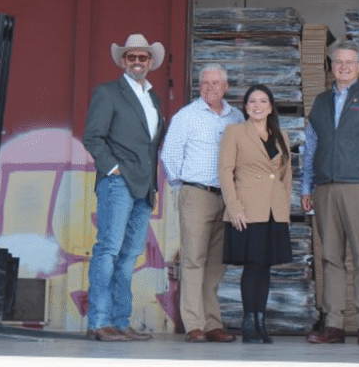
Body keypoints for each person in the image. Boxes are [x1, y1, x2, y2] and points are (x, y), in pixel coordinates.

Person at [301, 40, 359, 346]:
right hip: (325, 187)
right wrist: (306, 186)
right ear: (331, 65)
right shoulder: (320, 102)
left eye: (350, 62)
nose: (344, 67)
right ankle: (335, 325)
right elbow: (311, 147)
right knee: (331, 257)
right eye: (338, 62)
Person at [82, 34, 166, 342]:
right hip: (118, 184)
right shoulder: (108, 93)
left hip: (144, 188)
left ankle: (120, 321)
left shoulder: (154, 99)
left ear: (150, 63)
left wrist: (152, 186)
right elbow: (93, 136)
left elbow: (150, 145)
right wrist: (114, 169)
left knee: (129, 256)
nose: (137, 62)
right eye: (132, 57)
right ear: (123, 61)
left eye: (143, 58)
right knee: (108, 251)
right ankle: (99, 322)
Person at [160, 64, 244, 343]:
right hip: (197, 194)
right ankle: (194, 325)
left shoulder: (237, 117)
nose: (209, 88)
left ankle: (212, 324)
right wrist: (181, 188)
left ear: (226, 87)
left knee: (216, 264)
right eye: (204, 83)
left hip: (227, 197)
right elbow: (169, 155)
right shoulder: (186, 116)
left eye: (215, 83)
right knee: (194, 260)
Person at [218, 84, 293, 344]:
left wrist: (284, 208)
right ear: (246, 107)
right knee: (252, 267)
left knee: (265, 267)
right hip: (248, 209)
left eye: (263, 101)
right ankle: (249, 323)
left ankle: (261, 322)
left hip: (274, 210)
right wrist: (234, 207)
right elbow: (225, 172)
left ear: (271, 106)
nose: (257, 105)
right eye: (252, 101)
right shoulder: (235, 132)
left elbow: (285, 174)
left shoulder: (280, 133)